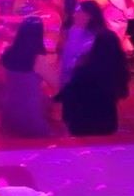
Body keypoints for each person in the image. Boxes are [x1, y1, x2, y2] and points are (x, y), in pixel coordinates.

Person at [55, 8, 129, 137]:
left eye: (79, 12)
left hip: (82, 123)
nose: (74, 15)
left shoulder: (83, 73)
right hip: (107, 120)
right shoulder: (115, 69)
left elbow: (68, 95)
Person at [1, 17, 57, 137]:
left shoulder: (8, 52)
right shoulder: (38, 59)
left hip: (10, 107)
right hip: (30, 109)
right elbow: (55, 83)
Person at [59, 1, 104, 87]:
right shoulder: (73, 31)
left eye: (78, 12)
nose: (74, 15)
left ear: (89, 16)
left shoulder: (97, 39)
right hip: (68, 82)